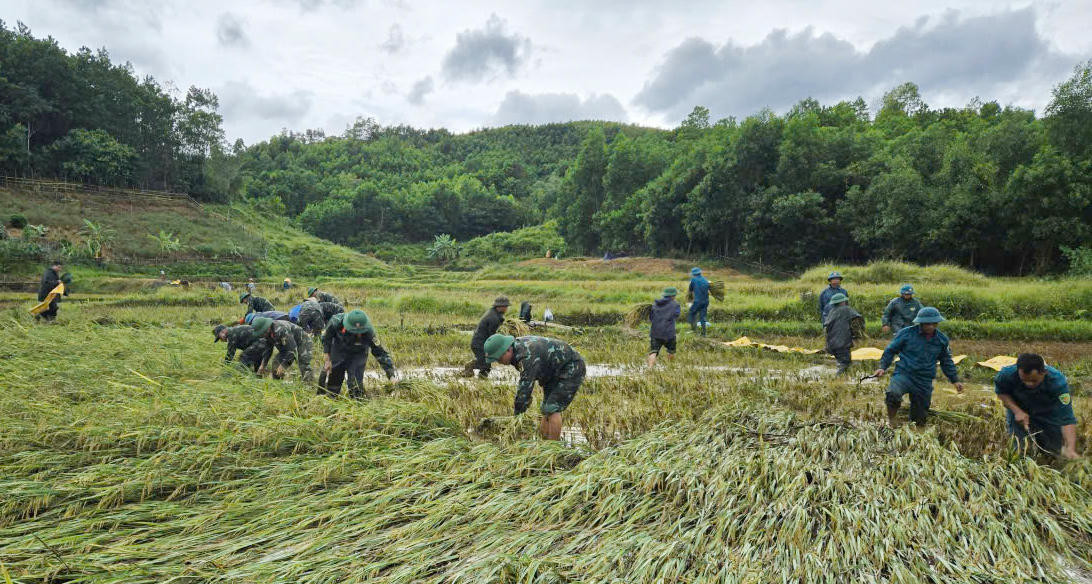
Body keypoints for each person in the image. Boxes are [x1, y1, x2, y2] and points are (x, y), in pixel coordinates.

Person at [485, 334, 586, 441]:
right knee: (545, 408)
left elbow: (525, 389)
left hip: (571, 367)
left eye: (499, 358)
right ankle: (544, 445)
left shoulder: (526, 355)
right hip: (552, 372)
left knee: (552, 408)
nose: (499, 362)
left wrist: (517, 417)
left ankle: (554, 448)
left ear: (508, 350)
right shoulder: (517, 349)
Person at [874, 307, 964, 427]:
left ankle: (915, 434)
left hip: (924, 379)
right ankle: (892, 421)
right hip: (904, 374)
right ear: (921, 323)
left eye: (934, 324)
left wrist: (955, 380)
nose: (931, 327)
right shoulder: (906, 334)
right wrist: (882, 367)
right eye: (927, 324)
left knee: (919, 418)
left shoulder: (941, 340)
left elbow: (946, 361)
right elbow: (890, 350)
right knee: (893, 394)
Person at [995, 354, 1080, 460]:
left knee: (1054, 451)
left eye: (1034, 381)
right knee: (1019, 450)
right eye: (1024, 380)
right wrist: (1017, 411)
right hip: (1019, 412)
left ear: (1044, 372)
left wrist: (1070, 448)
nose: (1028, 384)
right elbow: (1002, 393)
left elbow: (1067, 418)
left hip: (1047, 415)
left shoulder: (1057, 382)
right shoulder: (1006, 375)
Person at [321, 309, 396, 398]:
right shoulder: (336, 322)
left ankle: (357, 402)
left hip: (358, 353)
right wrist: (327, 359)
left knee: (355, 383)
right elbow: (326, 338)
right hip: (339, 349)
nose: (359, 335)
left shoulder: (369, 332)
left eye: (361, 332)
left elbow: (380, 353)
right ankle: (331, 399)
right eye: (355, 332)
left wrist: (391, 375)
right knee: (335, 378)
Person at [251, 317, 314, 383]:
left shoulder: (281, 329)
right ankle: (278, 384)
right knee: (276, 362)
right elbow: (268, 349)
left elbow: (292, 349)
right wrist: (263, 365)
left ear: (267, 327)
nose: (262, 335)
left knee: (303, 362)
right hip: (286, 346)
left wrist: (283, 365)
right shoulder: (267, 334)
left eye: (263, 332)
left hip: (302, 342)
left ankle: (308, 384)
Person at [467, 297, 509, 378]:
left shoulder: (494, 313)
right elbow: (492, 336)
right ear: (500, 307)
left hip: (481, 342)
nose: (507, 308)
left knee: (484, 363)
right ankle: (477, 375)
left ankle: (472, 367)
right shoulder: (493, 318)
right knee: (485, 367)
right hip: (479, 344)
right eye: (506, 306)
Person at [823, 293, 862, 375]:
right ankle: (837, 379)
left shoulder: (832, 311)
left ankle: (843, 378)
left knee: (841, 362)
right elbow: (857, 320)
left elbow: (826, 328)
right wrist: (857, 336)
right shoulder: (846, 309)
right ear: (842, 302)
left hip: (832, 343)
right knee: (845, 363)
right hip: (842, 342)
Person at [648, 287, 681, 367]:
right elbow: (676, 315)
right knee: (671, 351)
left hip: (655, 332)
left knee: (653, 352)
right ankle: (670, 367)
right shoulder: (675, 304)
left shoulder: (655, 304)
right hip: (669, 333)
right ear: (672, 296)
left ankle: (650, 368)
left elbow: (651, 318)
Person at [687, 267, 710, 336]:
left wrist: (690, 300)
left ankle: (693, 330)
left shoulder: (693, 280)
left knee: (691, 313)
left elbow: (690, 290)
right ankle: (704, 334)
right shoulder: (705, 280)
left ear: (693, 274)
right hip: (706, 301)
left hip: (697, 301)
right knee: (702, 317)